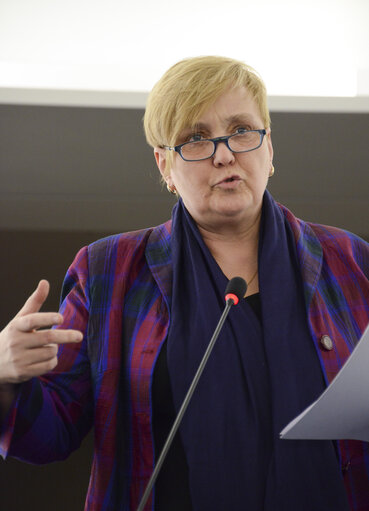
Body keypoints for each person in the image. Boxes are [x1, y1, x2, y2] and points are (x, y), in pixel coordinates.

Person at [0, 56, 368, 511]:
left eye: (241, 131)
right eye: (195, 138)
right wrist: (5, 379)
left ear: (269, 148)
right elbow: (49, 438)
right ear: (164, 166)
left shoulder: (350, 260)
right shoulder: (107, 271)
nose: (224, 153)